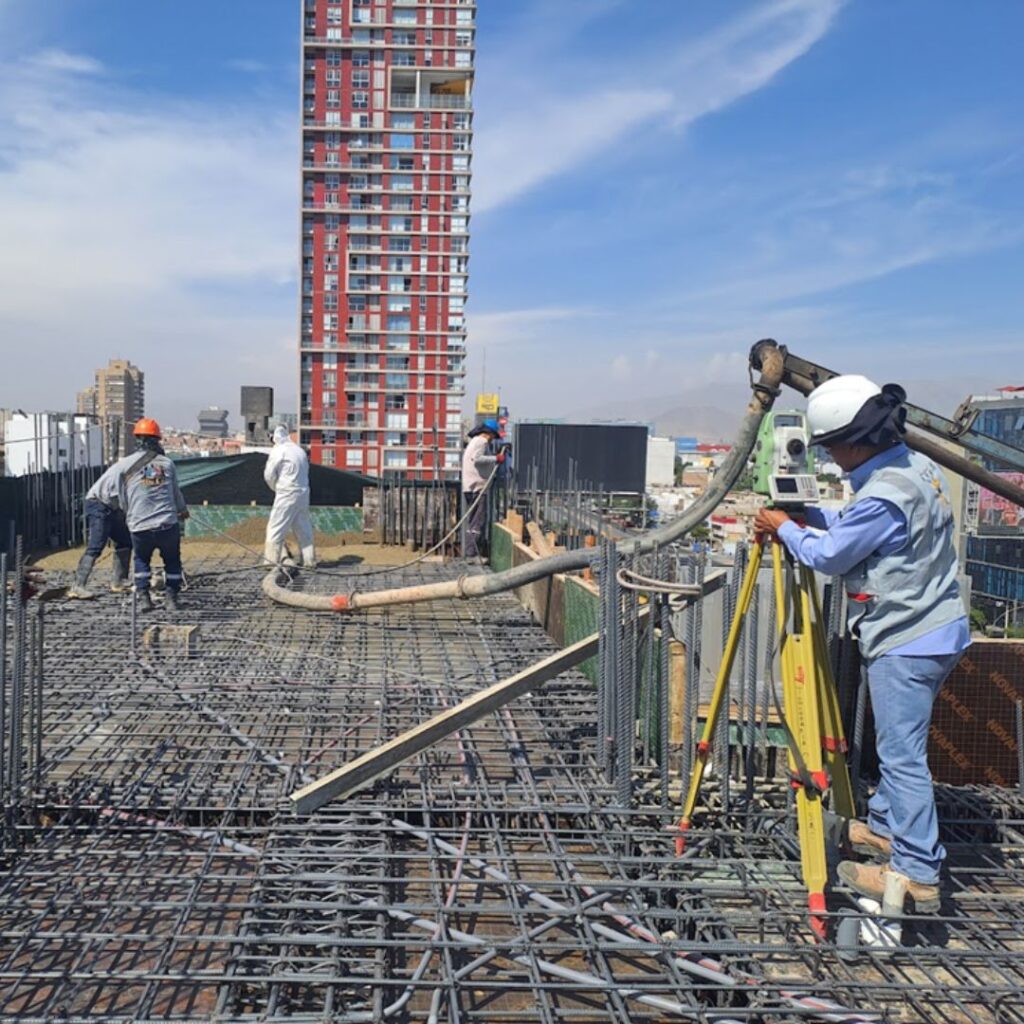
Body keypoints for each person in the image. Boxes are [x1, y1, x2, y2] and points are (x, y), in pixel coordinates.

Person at [754, 374, 969, 914]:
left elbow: (830, 556)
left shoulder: (885, 494)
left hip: (907, 638)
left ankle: (916, 872)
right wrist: (807, 518)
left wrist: (783, 528)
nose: (830, 458)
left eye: (831, 447)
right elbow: (858, 527)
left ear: (854, 441)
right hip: (939, 627)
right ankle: (887, 830)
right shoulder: (914, 469)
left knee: (901, 756)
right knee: (902, 746)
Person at [120, 418, 189, 611]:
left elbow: (123, 497)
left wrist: (130, 516)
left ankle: (144, 598)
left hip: (139, 525)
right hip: (166, 523)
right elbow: (175, 492)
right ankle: (171, 599)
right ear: (158, 440)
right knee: (172, 560)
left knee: (141, 560)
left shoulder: (125, 465)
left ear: (137, 440)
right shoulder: (166, 464)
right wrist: (182, 509)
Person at [67, 463, 133, 599]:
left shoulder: (134, 467)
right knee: (96, 545)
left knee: (125, 541)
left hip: (112, 506)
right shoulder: (130, 470)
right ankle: (77, 586)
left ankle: (118, 582)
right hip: (98, 503)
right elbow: (122, 497)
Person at [263, 425, 315, 567]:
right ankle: (309, 561)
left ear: (274, 437)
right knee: (303, 528)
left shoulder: (278, 451)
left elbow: (269, 475)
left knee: (275, 528)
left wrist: (276, 488)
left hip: (286, 494)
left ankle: (271, 562)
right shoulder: (299, 451)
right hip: (303, 494)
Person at [461, 418, 504, 558]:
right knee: (477, 521)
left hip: (470, 486)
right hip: (477, 487)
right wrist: (496, 458)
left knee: (473, 520)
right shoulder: (481, 441)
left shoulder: (474, 441)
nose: (492, 439)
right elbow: (477, 458)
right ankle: (472, 554)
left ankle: (470, 552)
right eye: (493, 436)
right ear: (489, 433)